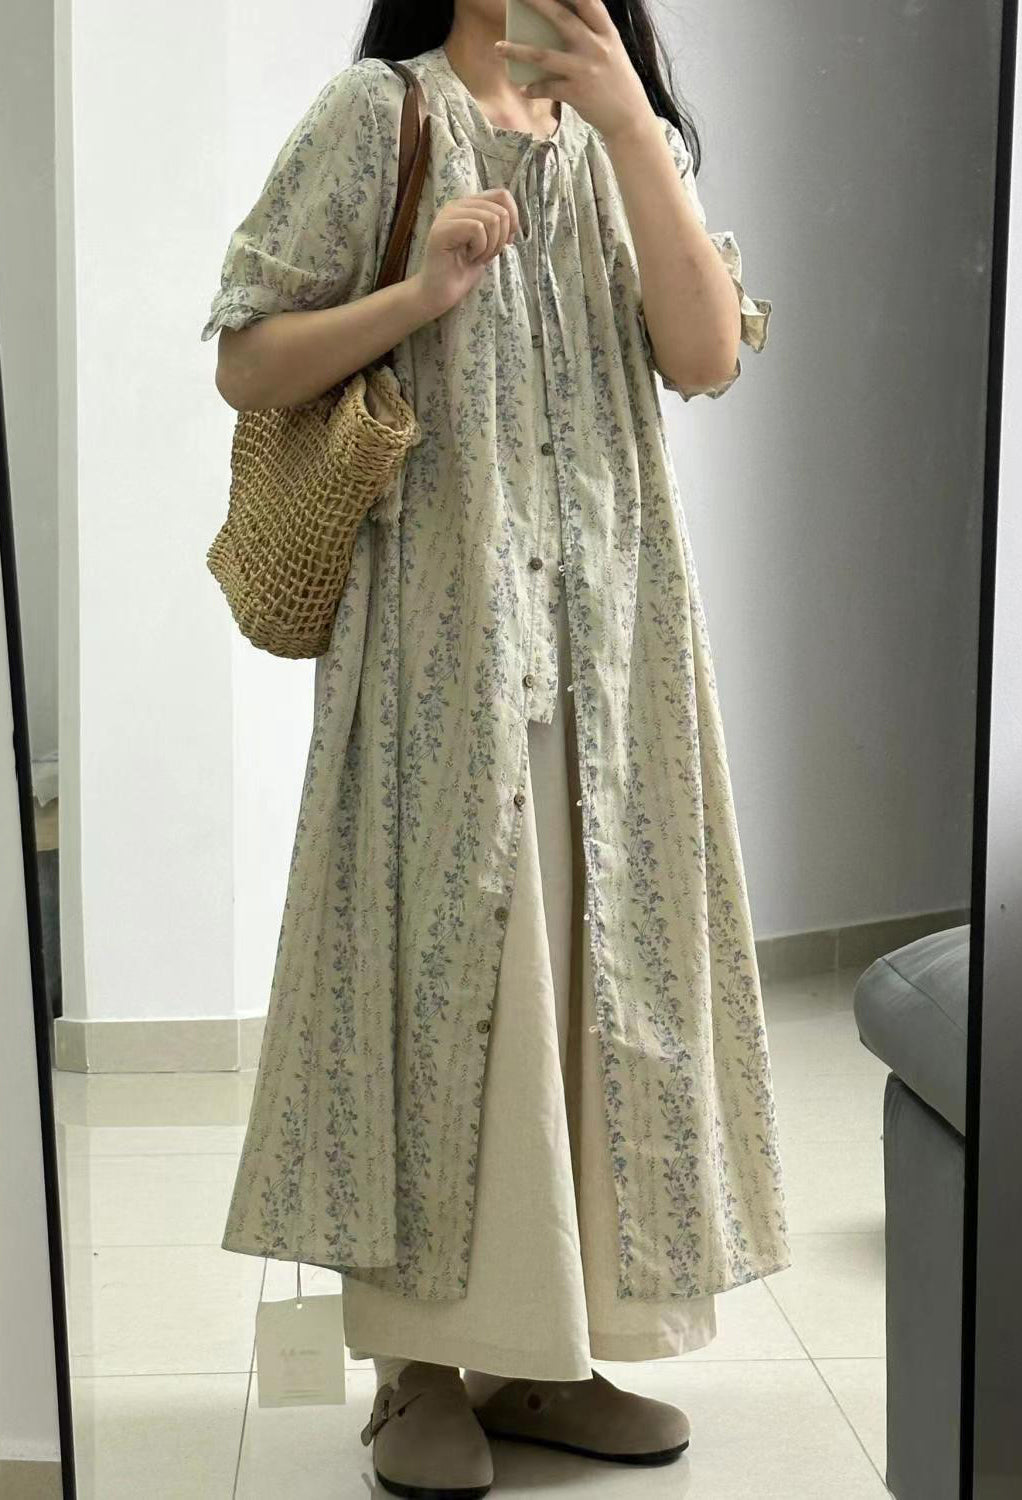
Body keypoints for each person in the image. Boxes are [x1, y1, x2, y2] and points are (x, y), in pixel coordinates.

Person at [201, 1, 789, 1495]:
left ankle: (543, 1359)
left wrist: (632, 124)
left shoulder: (623, 135)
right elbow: (250, 365)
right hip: (439, 655)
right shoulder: (377, 117)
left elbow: (705, 356)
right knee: (442, 989)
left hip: (615, 645)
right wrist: (418, 293)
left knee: (594, 990)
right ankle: (415, 1374)